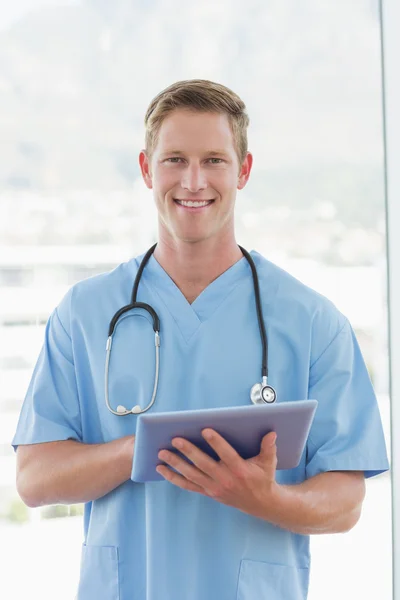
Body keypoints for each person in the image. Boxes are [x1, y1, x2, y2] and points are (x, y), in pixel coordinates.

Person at [12, 79, 389, 600]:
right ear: (147, 169)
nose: (193, 180)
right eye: (174, 160)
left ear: (244, 170)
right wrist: (142, 449)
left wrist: (262, 498)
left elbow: (345, 501)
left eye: (214, 159)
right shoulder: (85, 313)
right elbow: (34, 479)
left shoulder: (312, 321)